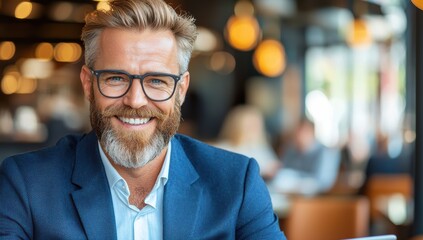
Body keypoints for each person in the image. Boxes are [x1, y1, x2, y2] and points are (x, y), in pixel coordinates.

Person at [0, 0, 286, 239]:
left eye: (157, 81)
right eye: (115, 78)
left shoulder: (237, 184)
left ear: (181, 89)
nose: (135, 100)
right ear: (88, 84)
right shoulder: (25, 184)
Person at [271, 118, 340, 196]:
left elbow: (324, 183)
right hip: (288, 196)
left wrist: (296, 182)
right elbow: (282, 173)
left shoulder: (326, 153)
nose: (299, 136)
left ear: (312, 133)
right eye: (297, 132)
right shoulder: (291, 150)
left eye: (302, 132)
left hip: (317, 200)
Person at [214, 104, 281, 180]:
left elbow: (273, 167)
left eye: (258, 124)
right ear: (237, 126)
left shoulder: (260, 147)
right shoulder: (223, 148)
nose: (256, 129)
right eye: (251, 125)